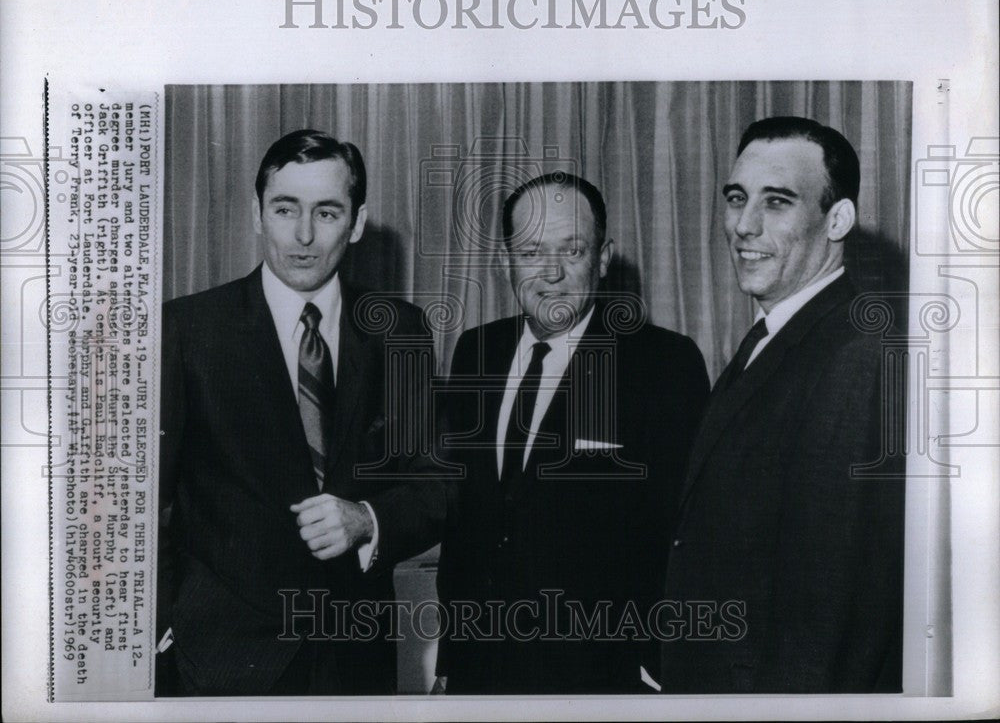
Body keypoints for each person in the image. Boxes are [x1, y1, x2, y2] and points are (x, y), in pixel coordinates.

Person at [157, 129, 444, 695]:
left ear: (357, 223)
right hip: (217, 663)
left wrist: (367, 520)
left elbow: (436, 485)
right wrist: (167, 629)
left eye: (328, 212)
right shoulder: (186, 329)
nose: (304, 236)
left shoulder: (400, 330)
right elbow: (144, 502)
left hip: (355, 656)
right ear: (258, 214)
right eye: (285, 209)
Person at [435, 172, 710, 694]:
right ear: (505, 261)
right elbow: (466, 525)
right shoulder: (476, 351)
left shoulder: (664, 364)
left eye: (573, 250)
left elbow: (686, 535)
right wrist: (450, 664)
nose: (553, 273)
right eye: (533, 251)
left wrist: (655, 670)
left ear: (603, 259)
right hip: (481, 673)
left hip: (601, 677)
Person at [659, 117, 905, 693]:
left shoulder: (856, 354)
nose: (744, 226)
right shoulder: (775, 334)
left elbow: (834, 602)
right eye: (737, 199)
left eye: (777, 202)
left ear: (837, 219)